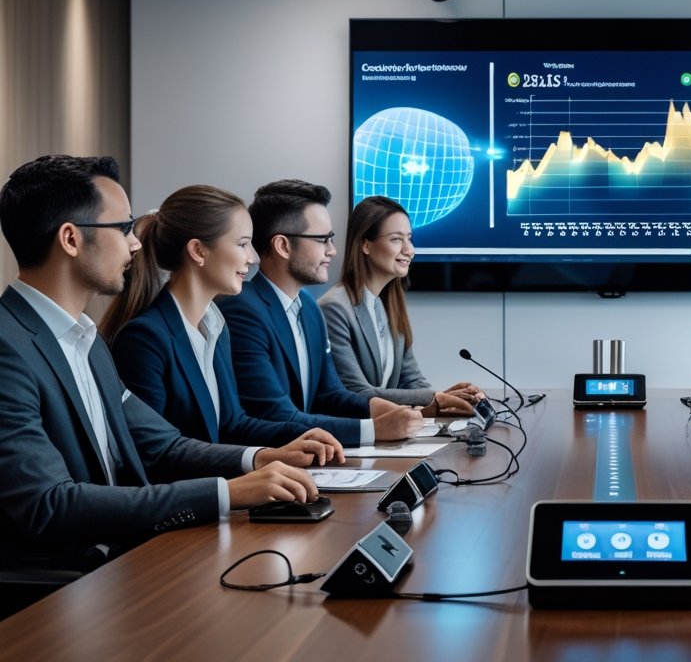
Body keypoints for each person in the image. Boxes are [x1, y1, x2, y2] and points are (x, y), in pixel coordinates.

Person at [0, 156, 323, 574]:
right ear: (70, 239)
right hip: (64, 586)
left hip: (122, 563)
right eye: (122, 229)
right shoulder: (8, 347)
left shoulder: (87, 340)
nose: (136, 243)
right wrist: (227, 494)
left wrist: (259, 459)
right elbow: (50, 504)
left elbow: (163, 444)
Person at [101, 185, 346, 460]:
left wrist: (298, 436)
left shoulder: (216, 327)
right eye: (242, 244)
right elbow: (155, 455)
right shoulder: (144, 339)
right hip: (188, 501)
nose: (252, 258)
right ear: (198, 251)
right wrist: (257, 460)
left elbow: (233, 425)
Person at [218, 179, 425, 447]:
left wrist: (379, 407)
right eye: (322, 239)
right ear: (282, 246)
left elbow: (330, 394)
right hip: (272, 465)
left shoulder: (309, 308)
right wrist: (372, 430)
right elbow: (275, 413)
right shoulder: (243, 309)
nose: (333, 250)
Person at [318, 196, 482, 416]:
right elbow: (355, 391)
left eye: (409, 239)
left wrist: (450, 398)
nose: (410, 250)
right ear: (365, 244)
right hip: (357, 436)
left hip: (390, 431)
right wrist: (435, 398)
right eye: (396, 240)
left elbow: (410, 379)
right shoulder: (334, 308)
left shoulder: (389, 304)